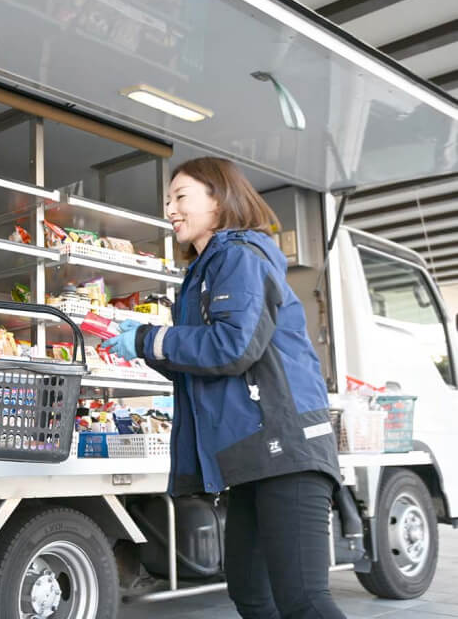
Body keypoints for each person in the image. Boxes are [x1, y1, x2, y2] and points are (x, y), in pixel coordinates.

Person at [103, 157, 345, 619]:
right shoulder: (204, 272)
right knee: (252, 595)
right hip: (252, 456)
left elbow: (233, 346)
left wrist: (149, 338)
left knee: (304, 601)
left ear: (220, 199)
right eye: (167, 201)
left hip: (286, 451)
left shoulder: (238, 255)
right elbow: (207, 364)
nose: (170, 210)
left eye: (181, 198)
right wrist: (147, 349)